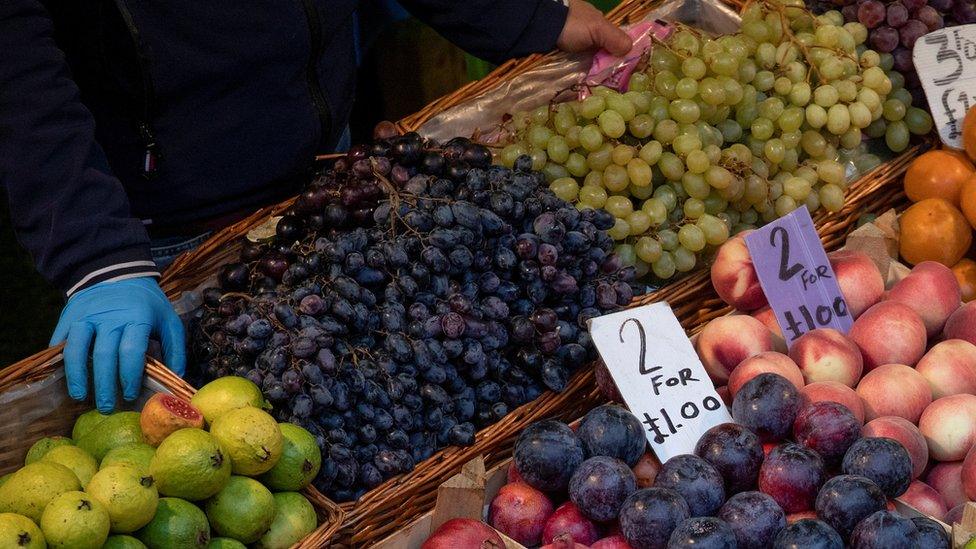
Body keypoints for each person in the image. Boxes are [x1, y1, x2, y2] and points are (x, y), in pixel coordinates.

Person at [1, 0, 631, 413]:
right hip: (165, 222)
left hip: (326, 176)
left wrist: (519, 15)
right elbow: (16, 73)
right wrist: (98, 257)